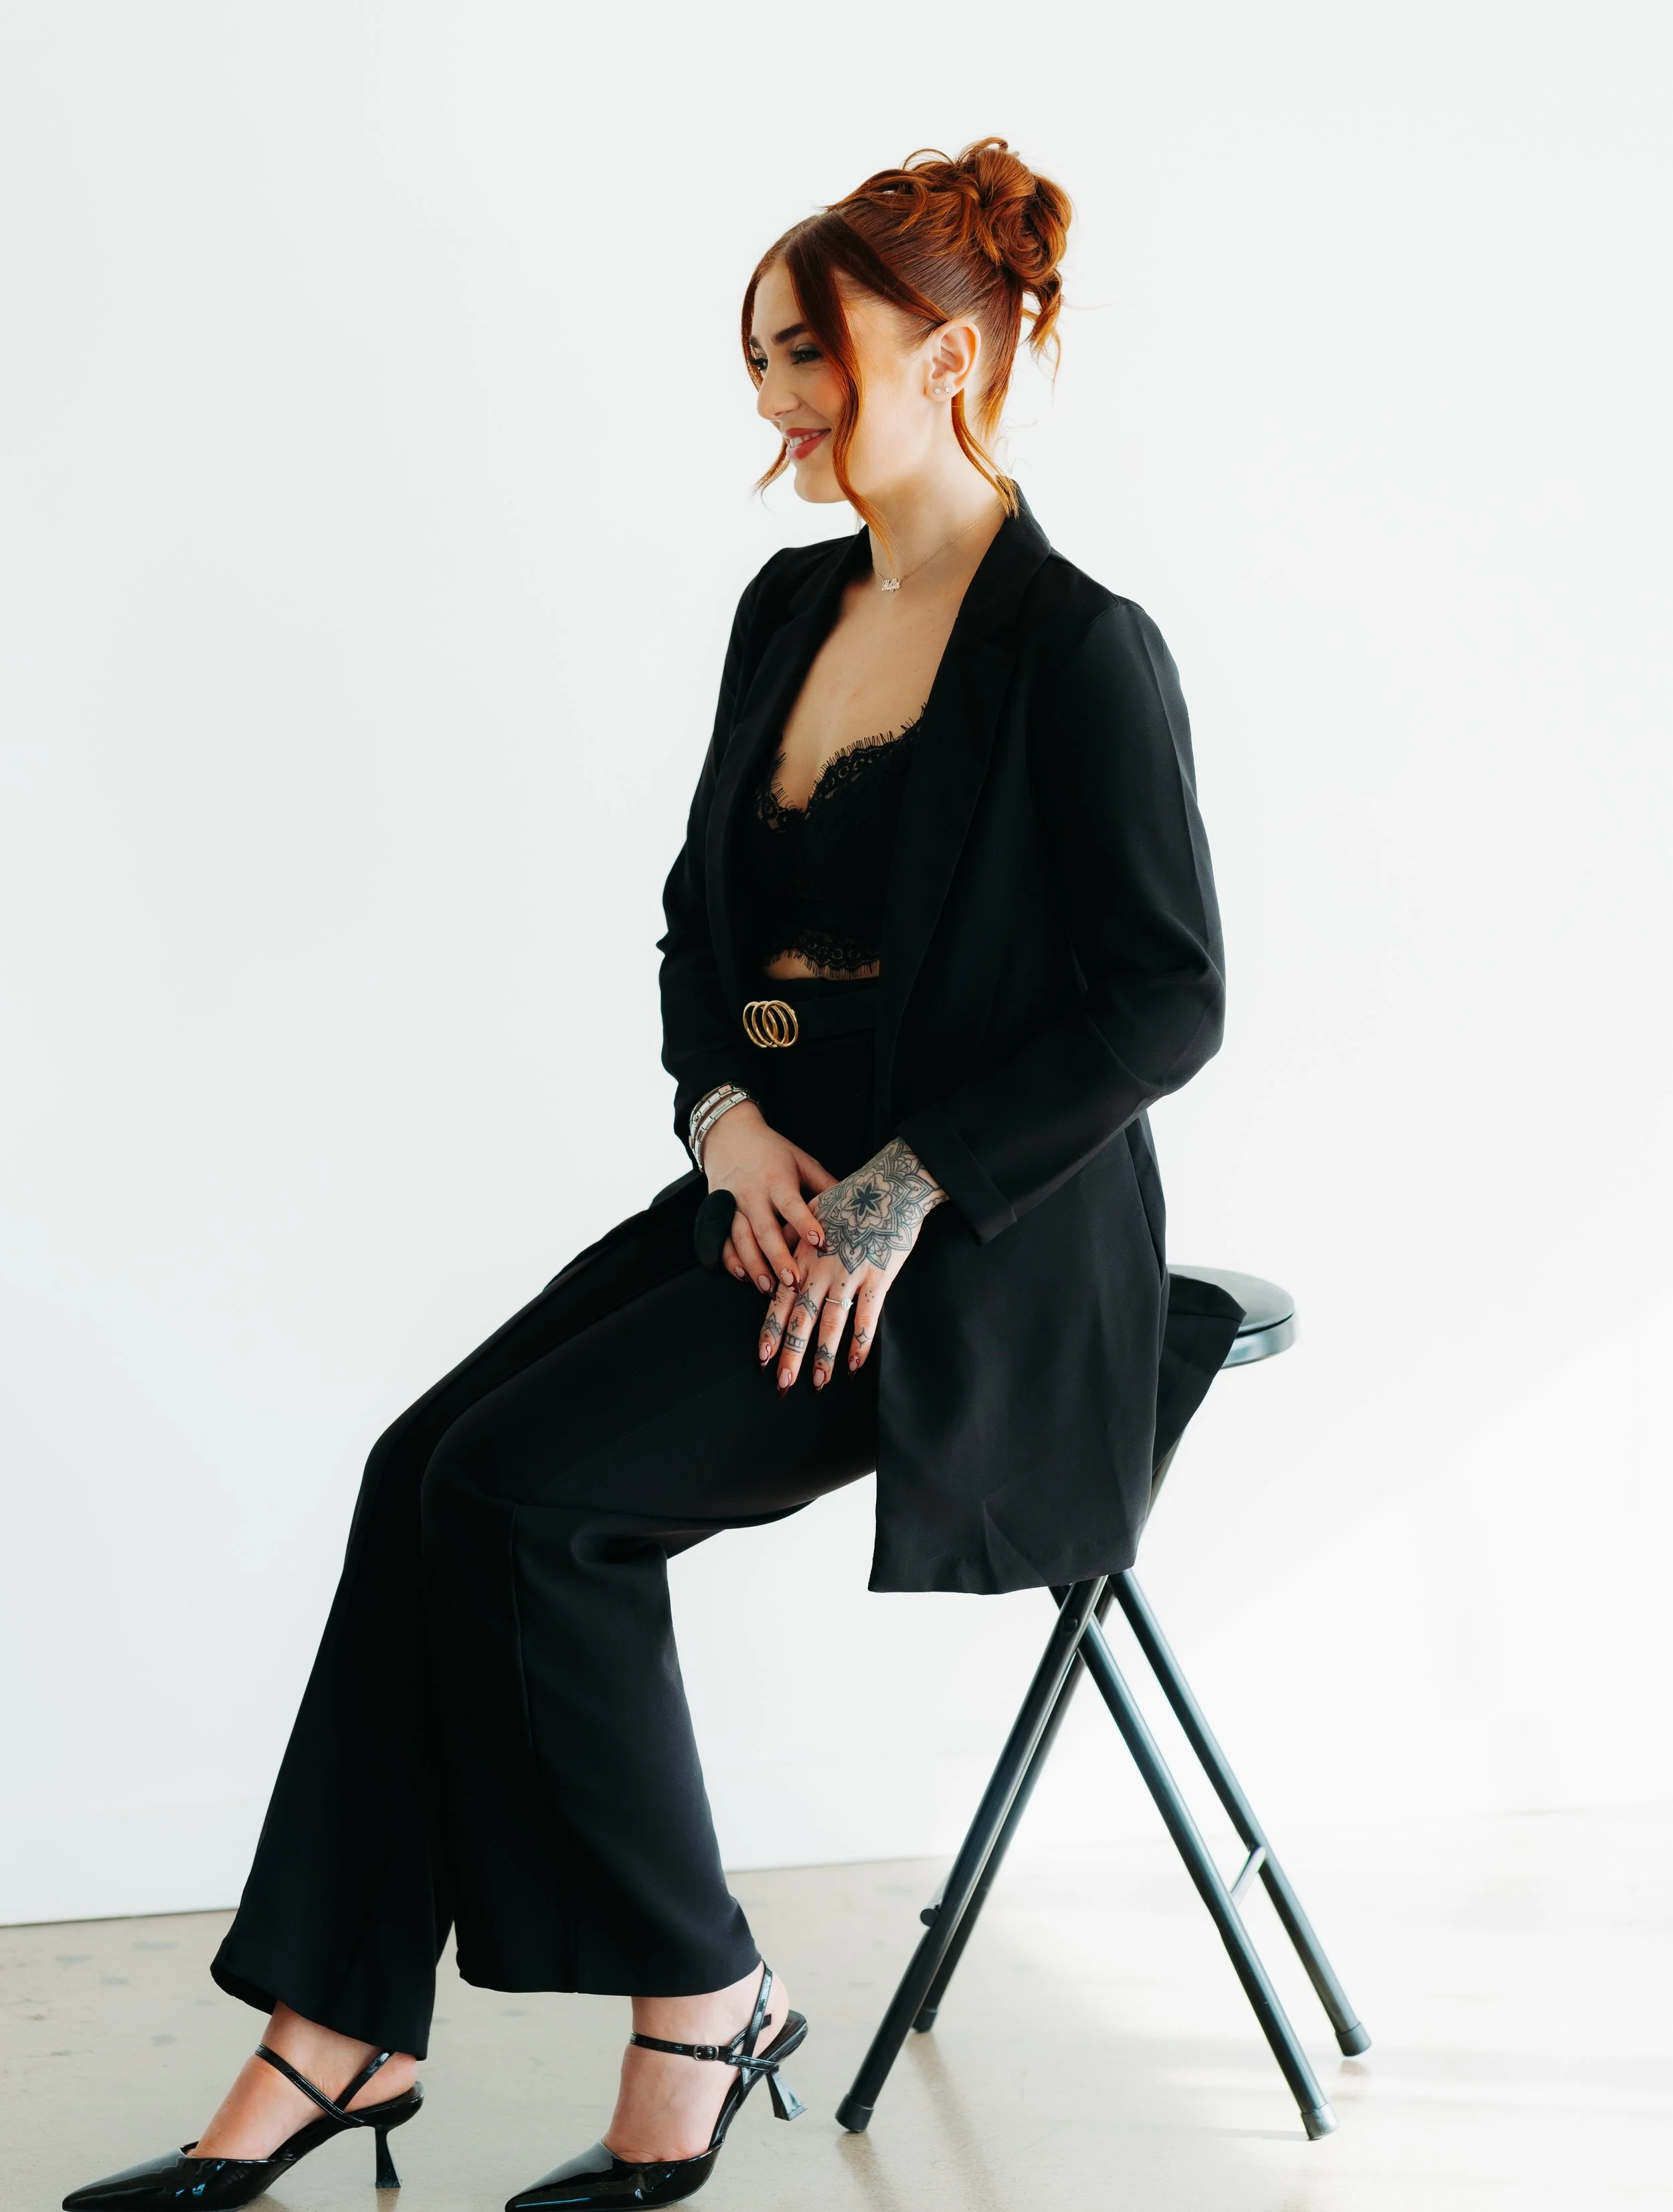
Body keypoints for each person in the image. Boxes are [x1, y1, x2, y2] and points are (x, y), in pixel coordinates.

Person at [65, 138, 1230, 2212]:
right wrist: (722, 1118)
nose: (775, 400)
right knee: (421, 1466)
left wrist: (897, 1188)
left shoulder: (1076, 648)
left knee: (526, 1500)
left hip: (957, 1255)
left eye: (811, 354)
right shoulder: (791, 606)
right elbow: (702, 922)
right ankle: (340, 2027)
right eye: (758, 358)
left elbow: (1166, 997)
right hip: (766, 1183)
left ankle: (700, 1994)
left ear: (947, 354)